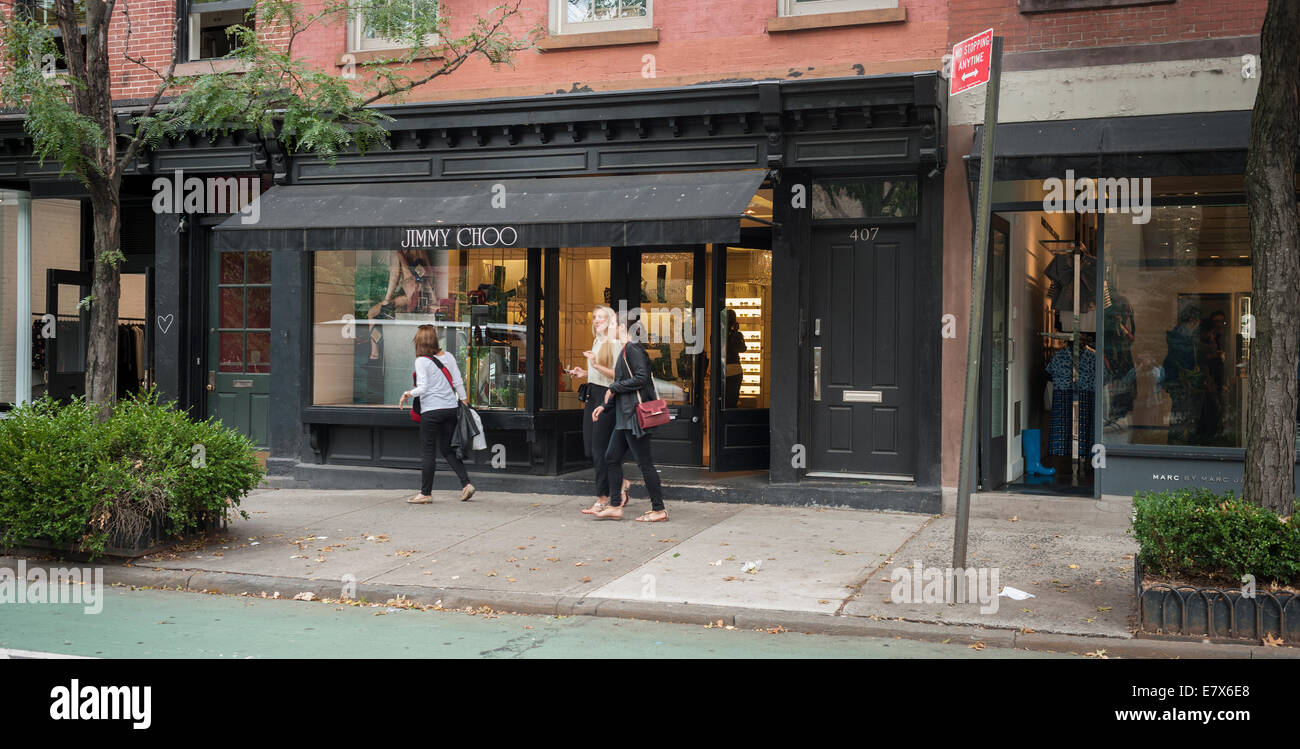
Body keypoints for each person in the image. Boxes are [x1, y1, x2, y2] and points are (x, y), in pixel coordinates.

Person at [591, 320, 668, 522]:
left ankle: (659, 509)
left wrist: (614, 388)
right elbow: (620, 384)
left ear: (624, 327)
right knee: (611, 457)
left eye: (615, 324)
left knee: (644, 463)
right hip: (624, 417)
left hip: (634, 417)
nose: (611, 328)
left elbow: (642, 378)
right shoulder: (626, 350)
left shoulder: (633, 349)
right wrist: (605, 406)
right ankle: (615, 505)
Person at [398, 325, 475, 504]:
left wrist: (408, 393)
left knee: (428, 452)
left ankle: (425, 493)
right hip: (450, 410)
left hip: (431, 412)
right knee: (448, 449)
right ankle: (466, 483)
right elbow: (458, 382)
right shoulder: (448, 357)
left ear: (419, 342)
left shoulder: (421, 361)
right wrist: (463, 401)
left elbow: (423, 388)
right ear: (434, 340)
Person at [566, 305, 630, 514]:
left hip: (607, 396)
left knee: (599, 449)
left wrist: (594, 365)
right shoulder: (597, 341)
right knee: (588, 448)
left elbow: (618, 375)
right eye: (594, 317)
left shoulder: (613, 343)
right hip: (592, 394)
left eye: (601, 318)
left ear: (610, 320)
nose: (596, 321)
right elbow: (597, 372)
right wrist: (584, 372)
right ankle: (619, 483)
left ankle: (603, 497)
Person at [723, 308, 748, 408]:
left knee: (722, 400)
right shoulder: (737, 335)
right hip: (736, 369)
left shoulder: (719, 334)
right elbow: (743, 348)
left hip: (723, 368)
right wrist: (735, 332)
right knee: (733, 398)